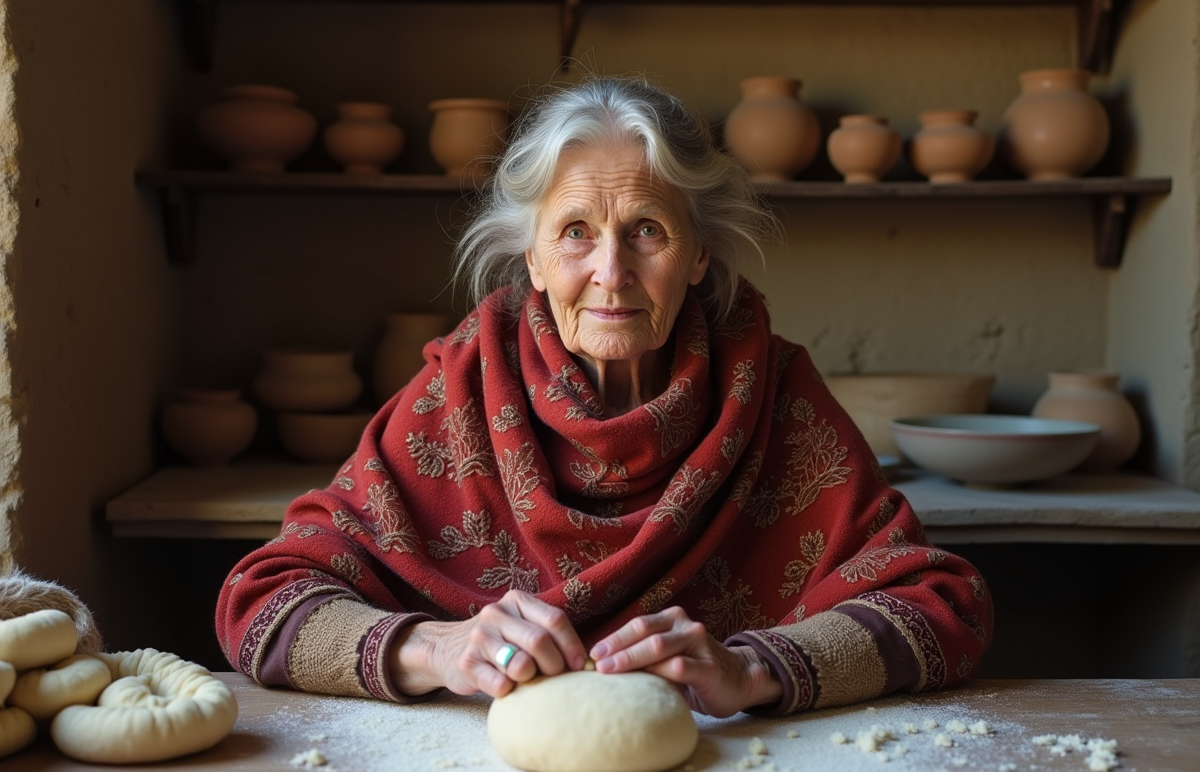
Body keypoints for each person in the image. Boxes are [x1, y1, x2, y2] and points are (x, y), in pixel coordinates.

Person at [215, 75, 992, 718]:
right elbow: (263, 602)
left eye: (648, 230)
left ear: (697, 254)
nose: (612, 273)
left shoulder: (771, 388)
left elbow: (942, 604)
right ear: (534, 255)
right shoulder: (461, 386)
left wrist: (757, 670)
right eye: (577, 230)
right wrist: (433, 648)